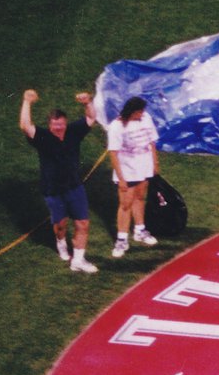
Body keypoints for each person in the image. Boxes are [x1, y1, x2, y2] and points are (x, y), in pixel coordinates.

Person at [19, 87, 100, 273]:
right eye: (55, 125)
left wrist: (88, 102)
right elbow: (25, 125)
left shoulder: (73, 132)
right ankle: (61, 243)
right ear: (49, 125)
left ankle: (78, 261)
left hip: (74, 187)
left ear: (65, 123)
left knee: (83, 223)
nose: (59, 128)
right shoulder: (43, 138)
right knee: (61, 225)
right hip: (53, 190)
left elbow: (91, 118)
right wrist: (27, 101)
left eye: (61, 124)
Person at [107, 96, 160, 259]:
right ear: (132, 111)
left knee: (140, 197)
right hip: (127, 170)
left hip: (144, 166)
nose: (142, 114)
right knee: (125, 204)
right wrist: (121, 178)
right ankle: (122, 239)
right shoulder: (116, 126)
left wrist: (155, 162)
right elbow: (113, 153)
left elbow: (152, 141)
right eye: (140, 111)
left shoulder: (146, 118)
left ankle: (140, 230)